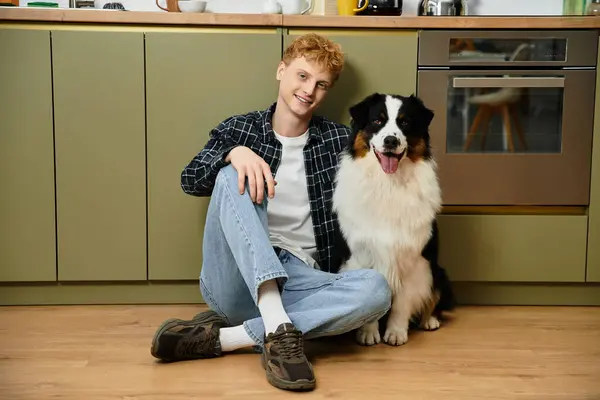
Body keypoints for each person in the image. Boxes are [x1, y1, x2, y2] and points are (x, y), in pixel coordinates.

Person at [150, 33, 392, 392]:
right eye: (302, 76)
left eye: (321, 85)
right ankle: (276, 324)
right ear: (282, 71)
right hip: (234, 282)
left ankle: (229, 338)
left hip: (300, 278)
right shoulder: (239, 128)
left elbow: (379, 185)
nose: (309, 90)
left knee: (377, 291)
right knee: (231, 173)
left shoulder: (338, 140)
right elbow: (191, 179)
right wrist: (233, 153)